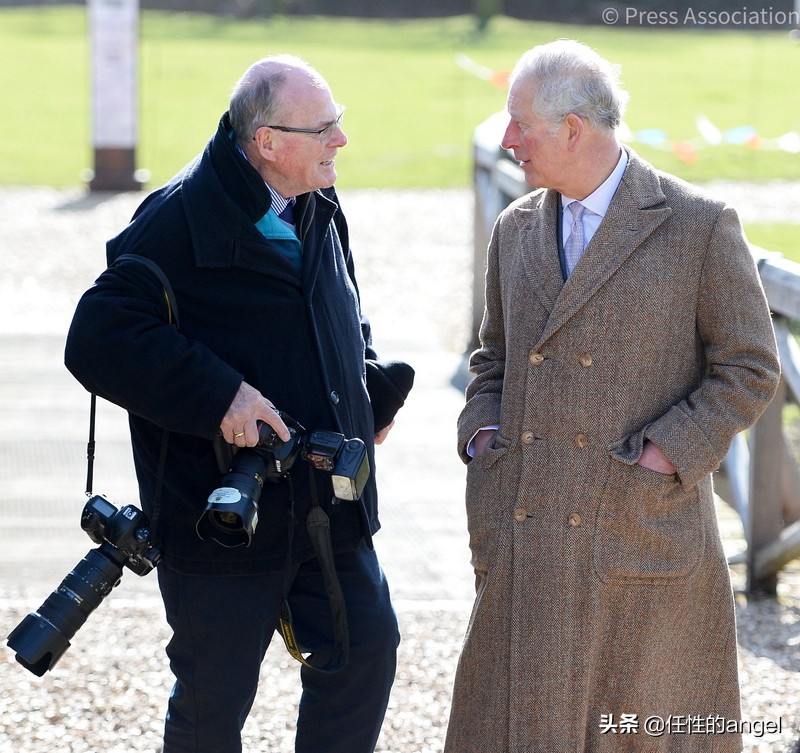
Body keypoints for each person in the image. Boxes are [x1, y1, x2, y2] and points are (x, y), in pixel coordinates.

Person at [65, 55, 414, 753]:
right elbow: (97, 337)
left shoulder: (315, 198)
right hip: (220, 520)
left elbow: (338, 303)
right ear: (267, 144)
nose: (340, 141)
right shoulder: (172, 221)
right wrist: (220, 393)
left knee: (367, 653)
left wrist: (365, 392)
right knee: (212, 704)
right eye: (325, 129)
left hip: (328, 505)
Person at [444, 39, 780, 753]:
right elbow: (492, 358)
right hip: (527, 534)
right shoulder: (516, 228)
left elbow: (750, 366)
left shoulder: (698, 224)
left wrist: (670, 451)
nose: (505, 140)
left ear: (573, 129)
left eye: (519, 124)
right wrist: (482, 436)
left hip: (639, 536)